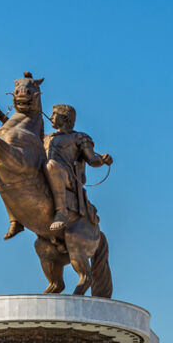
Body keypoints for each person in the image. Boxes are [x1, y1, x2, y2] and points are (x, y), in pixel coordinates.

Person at [43, 104, 112, 244]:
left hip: (68, 177)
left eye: (54, 114)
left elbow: (92, 159)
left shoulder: (79, 137)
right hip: (46, 174)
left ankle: (61, 211)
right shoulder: (45, 138)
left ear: (65, 118)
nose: (50, 117)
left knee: (51, 166)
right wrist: (2, 117)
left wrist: (102, 160)